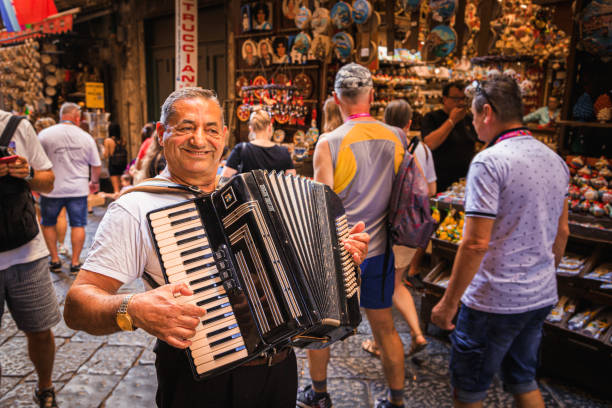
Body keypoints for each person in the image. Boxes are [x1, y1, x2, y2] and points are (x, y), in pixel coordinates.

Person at [63, 87, 369, 408]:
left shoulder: (249, 196)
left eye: (210, 129)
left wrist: (339, 261)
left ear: (223, 137)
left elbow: (298, 275)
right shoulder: (136, 207)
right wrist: (131, 309)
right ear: (161, 133)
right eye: (185, 128)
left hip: (279, 371)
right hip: (200, 383)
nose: (199, 139)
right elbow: (77, 305)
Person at [431, 76, 570, 408]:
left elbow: (476, 243)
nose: (474, 123)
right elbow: (562, 233)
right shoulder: (555, 159)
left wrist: (448, 303)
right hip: (539, 295)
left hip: (493, 301)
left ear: (488, 112)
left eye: (475, 115)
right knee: (523, 379)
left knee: (469, 390)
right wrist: (541, 276)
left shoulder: (489, 161)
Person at [297, 63, 406, 408]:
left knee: (321, 326)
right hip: (380, 252)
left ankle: (319, 395)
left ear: (336, 98)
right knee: (385, 328)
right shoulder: (398, 137)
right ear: (372, 96)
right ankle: (397, 400)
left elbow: (321, 209)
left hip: (339, 253)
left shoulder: (329, 142)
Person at [360, 99, 437, 359]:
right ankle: (415, 333)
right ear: (410, 122)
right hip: (412, 228)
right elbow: (431, 190)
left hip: (387, 229)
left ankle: (384, 343)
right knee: (395, 284)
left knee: (382, 288)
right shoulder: (422, 150)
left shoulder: (379, 148)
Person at [0, 110, 61, 408]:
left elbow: (48, 182)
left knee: (39, 329)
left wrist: (27, 173)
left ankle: (45, 387)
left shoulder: (16, 126)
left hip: (27, 254)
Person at [38, 102, 101, 274]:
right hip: (78, 189)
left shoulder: (45, 135)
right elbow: (96, 164)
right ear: (77, 117)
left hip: (51, 189)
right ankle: (75, 263)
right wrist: (94, 182)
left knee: (48, 223)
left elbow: (35, 161)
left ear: (61, 116)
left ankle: (55, 260)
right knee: (78, 225)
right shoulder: (85, 137)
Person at [421, 81, 477, 193]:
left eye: (463, 99)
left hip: (464, 183)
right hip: (440, 184)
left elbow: (486, 139)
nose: (460, 103)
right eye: (456, 99)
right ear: (445, 99)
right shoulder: (432, 118)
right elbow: (429, 144)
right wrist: (452, 121)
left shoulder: (469, 119)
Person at [221, 109, 295, 181]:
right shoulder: (284, 152)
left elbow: (224, 178)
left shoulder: (241, 149)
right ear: (269, 127)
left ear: (250, 128)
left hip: (246, 194)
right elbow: (292, 181)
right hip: (275, 194)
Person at [34, 117, 69, 257]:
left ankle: (50, 248)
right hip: (61, 183)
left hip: (42, 182)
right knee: (61, 216)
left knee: (43, 217)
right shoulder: (62, 141)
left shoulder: (37, 142)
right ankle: (61, 245)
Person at [104, 123, 128, 194]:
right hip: (123, 166)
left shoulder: (108, 141)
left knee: (116, 190)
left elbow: (106, 155)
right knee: (123, 188)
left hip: (113, 166)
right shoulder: (123, 140)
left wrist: (102, 149)